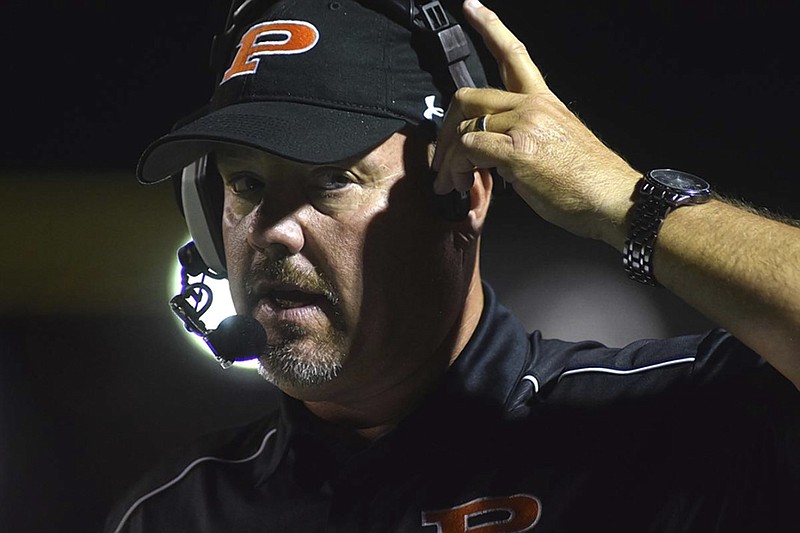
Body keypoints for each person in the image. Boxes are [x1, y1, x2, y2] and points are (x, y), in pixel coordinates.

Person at [105, 0, 800, 531]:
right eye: (248, 185)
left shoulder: (674, 429)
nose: (275, 232)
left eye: (330, 181)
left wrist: (626, 202)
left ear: (463, 192)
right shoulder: (175, 512)